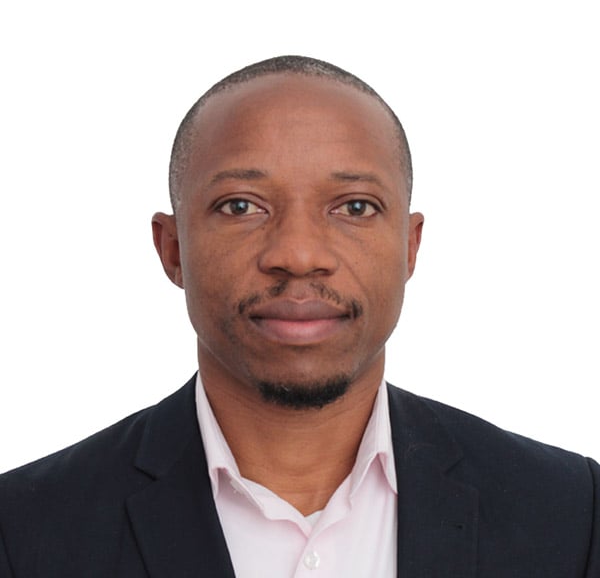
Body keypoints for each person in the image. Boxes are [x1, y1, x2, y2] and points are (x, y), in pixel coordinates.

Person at [0, 55, 598, 578]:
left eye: (355, 207)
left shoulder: (572, 514)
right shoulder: (24, 530)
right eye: (241, 206)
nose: (299, 254)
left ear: (410, 248)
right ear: (173, 249)